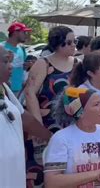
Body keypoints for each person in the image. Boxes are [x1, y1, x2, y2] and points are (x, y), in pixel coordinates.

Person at [24, 25, 77, 186]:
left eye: (75, 41)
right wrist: (37, 125)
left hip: (69, 125)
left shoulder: (78, 64)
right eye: (70, 42)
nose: (74, 44)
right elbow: (29, 93)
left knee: (67, 169)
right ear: (58, 43)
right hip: (44, 126)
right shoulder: (43, 64)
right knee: (41, 169)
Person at [44, 87, 100, 187]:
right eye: (96, 104)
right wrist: (98, 174)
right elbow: (51, 182)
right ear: (80, 112)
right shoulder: (61, 139)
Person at [0, 45, 51, 188]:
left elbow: (24, 118)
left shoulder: (5, 90)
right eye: (5, 62)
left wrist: (51, 138)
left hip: (12, 174)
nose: (11, 67)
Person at [0, 22, 31, 95]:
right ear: (15, 33)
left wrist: (27, 66)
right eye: (24, 32)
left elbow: (22, 67)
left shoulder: (21, 49)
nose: (25, 35)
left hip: (18, 89)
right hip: (4, 89)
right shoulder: (1, 48)